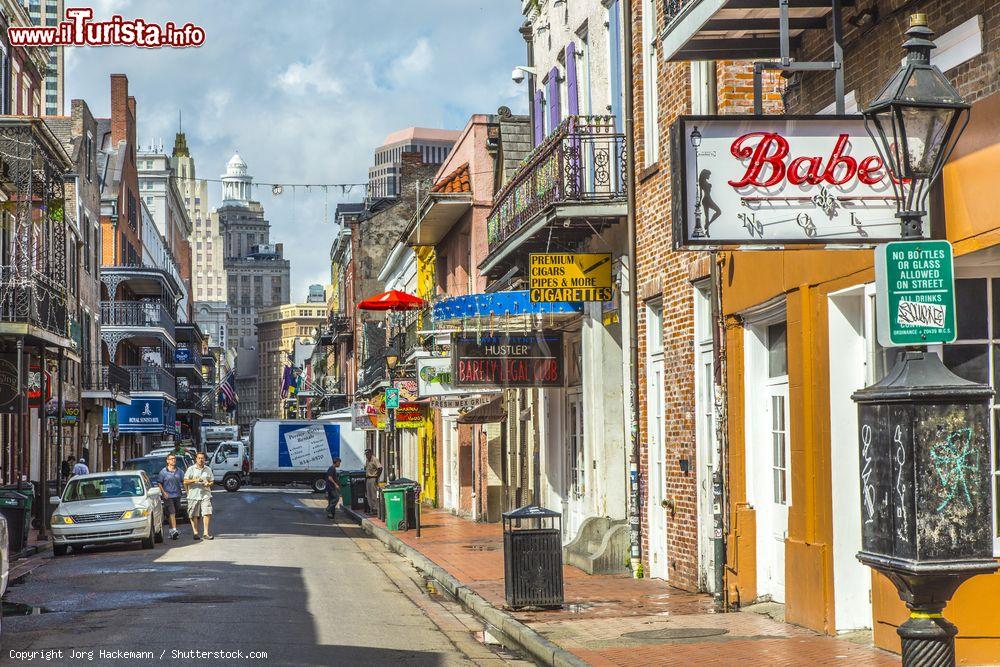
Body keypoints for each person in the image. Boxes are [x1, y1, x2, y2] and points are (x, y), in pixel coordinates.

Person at [183, 452, 215, 540]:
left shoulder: (208, 469)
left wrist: (208, 484)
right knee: (193, 514)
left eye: (202, 458)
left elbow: (212, 481)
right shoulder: (191, 469)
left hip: (205, 494)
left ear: (204, 459)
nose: (201, 460)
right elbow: (185, 481)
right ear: (196, 459)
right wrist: (195, 480)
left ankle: (206, 533)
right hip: (193, 494)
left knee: (207, 512)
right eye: (199, 458)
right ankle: (195, 532)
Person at [157, 453, 185, 540]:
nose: (174, 460)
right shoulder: (163, 472)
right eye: (172, 459)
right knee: (172, 512)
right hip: (168, 496)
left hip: (177, 495)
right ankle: (174, 530)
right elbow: (159, 483)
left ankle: (170, 531)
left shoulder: (179, 471)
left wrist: (187, 491)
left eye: (174, 459)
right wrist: (163, 492)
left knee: (173, 512)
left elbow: (184, 481)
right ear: (167, 461)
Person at [363, 449, 382, 515]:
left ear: (371, 453)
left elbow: (380, 468)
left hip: (373, 478)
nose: (366, 455)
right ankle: (371, 509)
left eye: (367, 454)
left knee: (373, 494)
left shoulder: (374, 459)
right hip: (368, 478)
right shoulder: (367, 460)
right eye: (366, 454)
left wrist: (377, 478)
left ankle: (375, 509)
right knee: (368, 495)